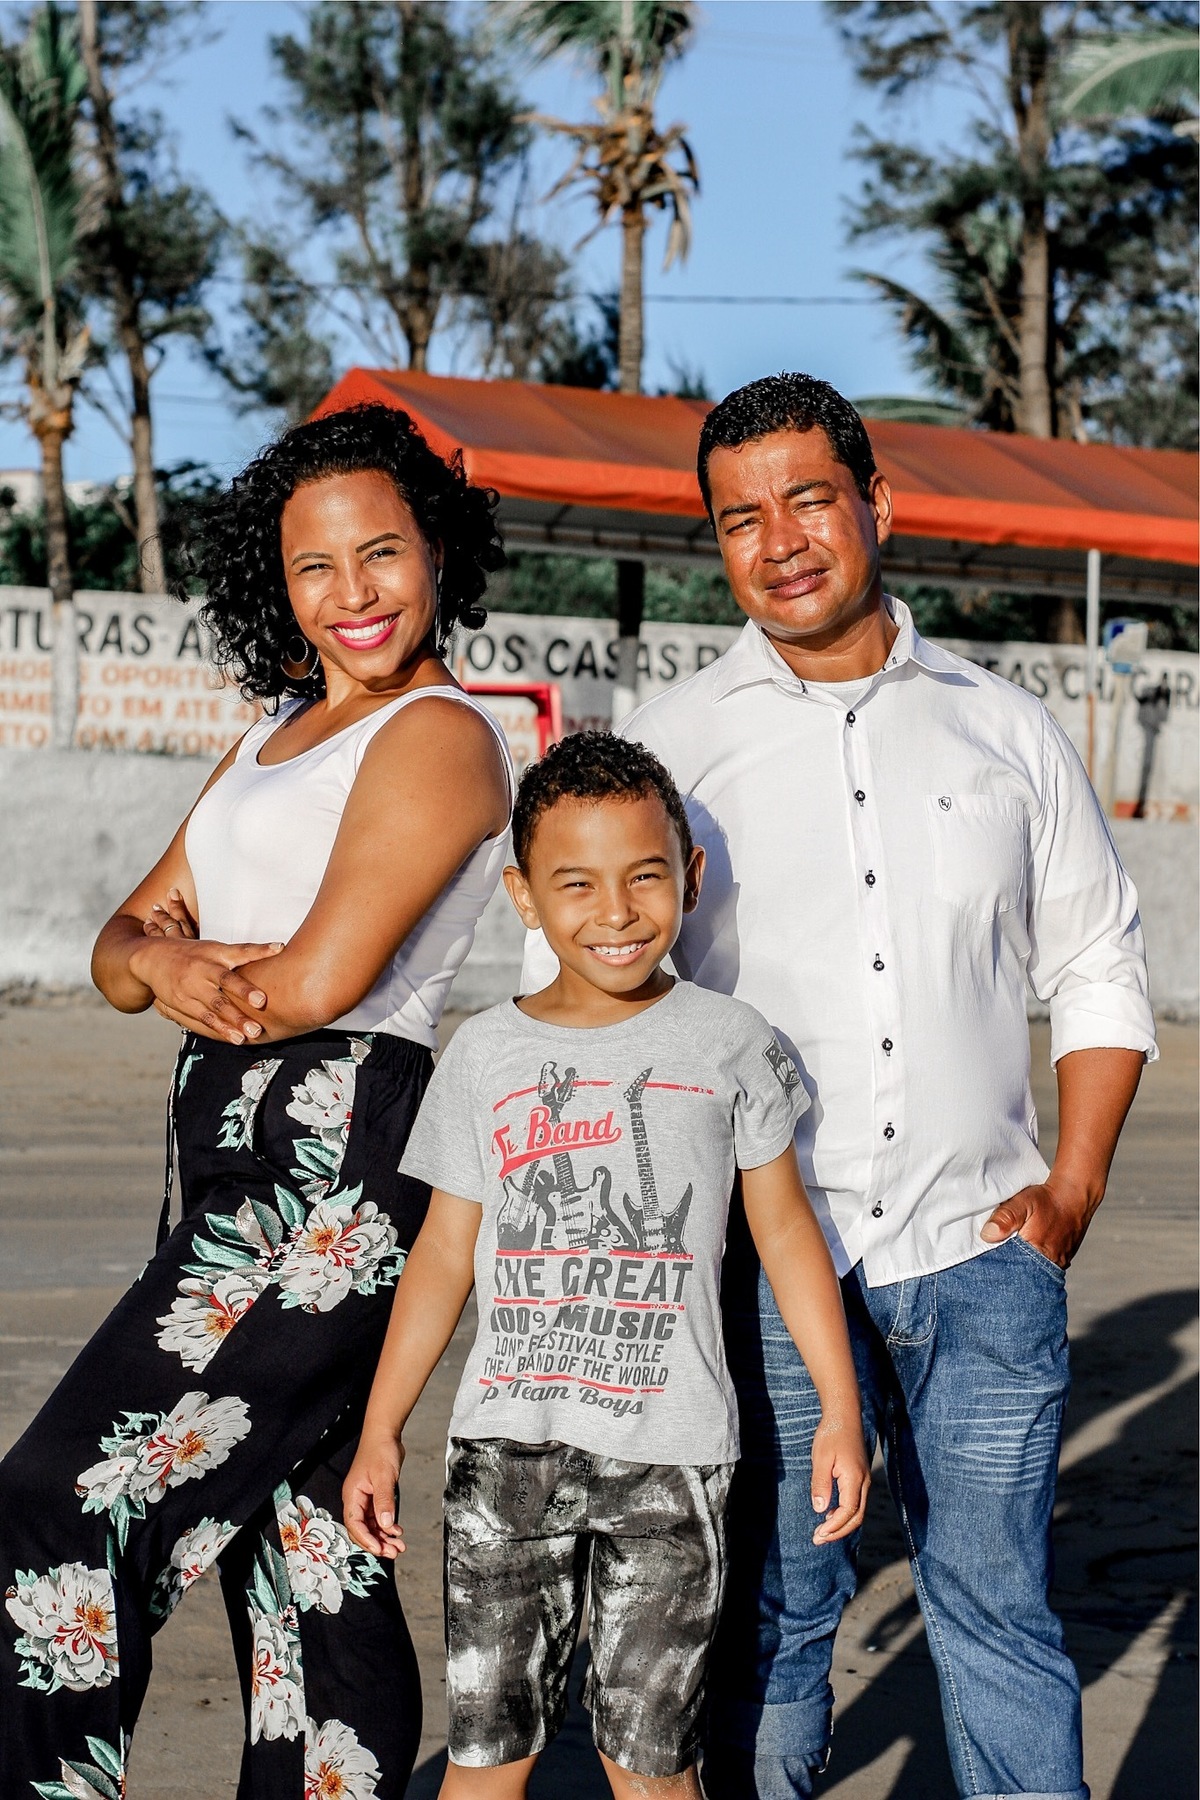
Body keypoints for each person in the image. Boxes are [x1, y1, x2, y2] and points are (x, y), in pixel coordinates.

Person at [523, 374, 1156, 1800]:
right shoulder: (674, 749)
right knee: (774, 1620)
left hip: (981, 1251)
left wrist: (1071, 1193)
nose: (780, 543)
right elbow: (580, 991)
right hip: (757, 1262)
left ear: (875, 504)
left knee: (1000, 1618)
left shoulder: (1008, 730)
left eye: (808, 500)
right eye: (740, 519)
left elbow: (1097, 960)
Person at [0, 402, 514, 1799]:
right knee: (306, 1552)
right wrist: (164, 960)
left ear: (437, 550)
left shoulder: (438, 735)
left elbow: (314, 983)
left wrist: (175, 966)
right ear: (275, 585)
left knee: (62, 1502)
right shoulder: (276, 732)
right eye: (314, 566)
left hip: (333, 1159)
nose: (354, 593)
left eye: (382, 552)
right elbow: (116, 949)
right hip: (230, 1155)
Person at [342, 732, 871, 1800]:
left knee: (653, 1770)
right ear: (524, 896)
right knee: (486, 1764)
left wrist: (840, 1408)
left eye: (645, 876)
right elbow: (443, 1252)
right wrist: (382, 1428)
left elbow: (785, 1233)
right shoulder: (484, 1053)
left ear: (691, 877)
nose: (617, 912)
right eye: (576, 883)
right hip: (504, 1455)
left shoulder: (731, 1041)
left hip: (674, 1460)